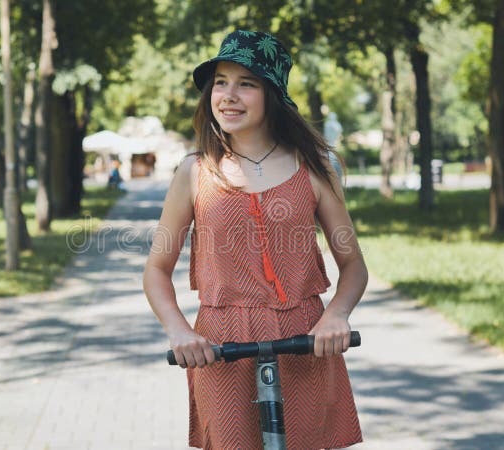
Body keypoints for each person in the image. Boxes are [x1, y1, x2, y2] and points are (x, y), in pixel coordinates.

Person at [143, 30, 366, 449]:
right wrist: (179, 330)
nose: (228, 95)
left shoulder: (314, 169)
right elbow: (156, 270)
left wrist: (336, 315)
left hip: (306, 340)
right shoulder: (195, 171)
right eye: (221, 82)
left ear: (273, 95)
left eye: (246, 83)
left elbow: (353, 265)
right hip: (221, 346)